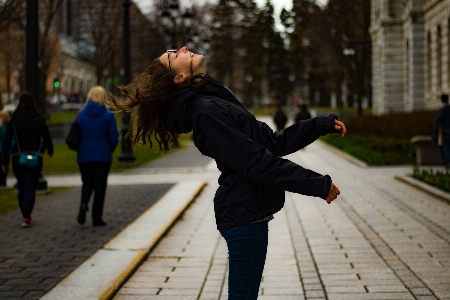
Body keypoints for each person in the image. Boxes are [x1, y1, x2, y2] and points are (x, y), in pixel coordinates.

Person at [107, 46, 346, 299]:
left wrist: (320, 124)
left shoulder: (212, 100)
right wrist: (317, 185)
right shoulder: (205, 112)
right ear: (179, 78)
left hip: (249, 214)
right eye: (174, 55)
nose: (183, 49)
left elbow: (271, 143)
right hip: (245, 218)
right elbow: (257, 162)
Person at [1, 92, 53, 228]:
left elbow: (7, 141)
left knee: (22, 186)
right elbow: (46, 136)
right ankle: (27, 215)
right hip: (35, 156)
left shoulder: (15, 120)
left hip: (18, 156)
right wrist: (49, 150)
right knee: (30, 187)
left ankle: (25, 213)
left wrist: (4, 160)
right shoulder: (38, 118)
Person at [72, 86, 119, 227]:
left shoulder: (80, 114)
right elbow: (113, 137)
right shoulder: (108, 115)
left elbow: (74, 134)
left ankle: (83, 203)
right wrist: (108, 150)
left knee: (87, 183)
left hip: (84, 156)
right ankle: (96, 218)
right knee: (100, 187)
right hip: (102, 156)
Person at [434, 93, 450, 166]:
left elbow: (436, 120)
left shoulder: (443, 110)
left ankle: (445, 160)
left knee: (444, 146)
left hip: (444, 131)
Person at [0, 109, 11, 186]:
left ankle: (3, 180)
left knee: (5, 164)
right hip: (1, 148)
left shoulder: (9, 126)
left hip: (6, 148)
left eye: (5, 116)